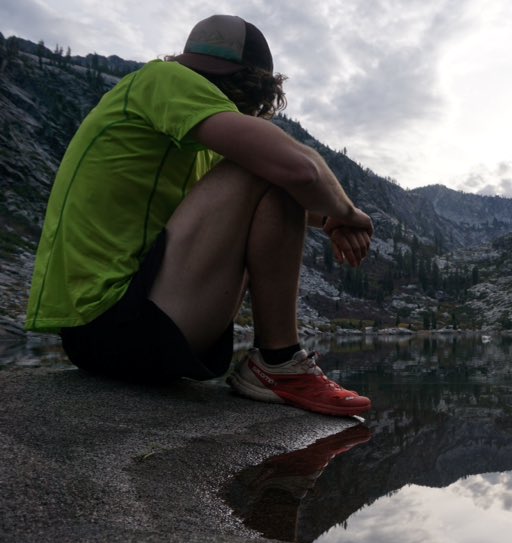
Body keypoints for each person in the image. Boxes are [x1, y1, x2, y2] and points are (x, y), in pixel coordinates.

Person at [25, 15, 372, 417]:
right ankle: (278, 362)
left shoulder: (189, 140)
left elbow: (256, 201)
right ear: (257, 85)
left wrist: (328, 219)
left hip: (115, 334)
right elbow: (300, 170)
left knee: (270, 172)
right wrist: (350, 214)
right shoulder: (161, 80)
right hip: (114, 326)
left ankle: (277, 363)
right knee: (267, 165)